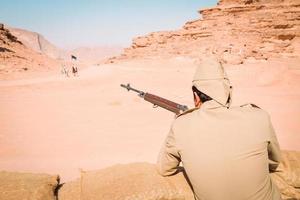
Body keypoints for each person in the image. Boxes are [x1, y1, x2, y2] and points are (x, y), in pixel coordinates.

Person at [157, 56, 282, 200]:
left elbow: (164, 168)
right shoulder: (259, 116)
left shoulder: (181, 124)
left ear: (195, 96)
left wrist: (179, 122)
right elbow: (274, 162)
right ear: (229, 92)